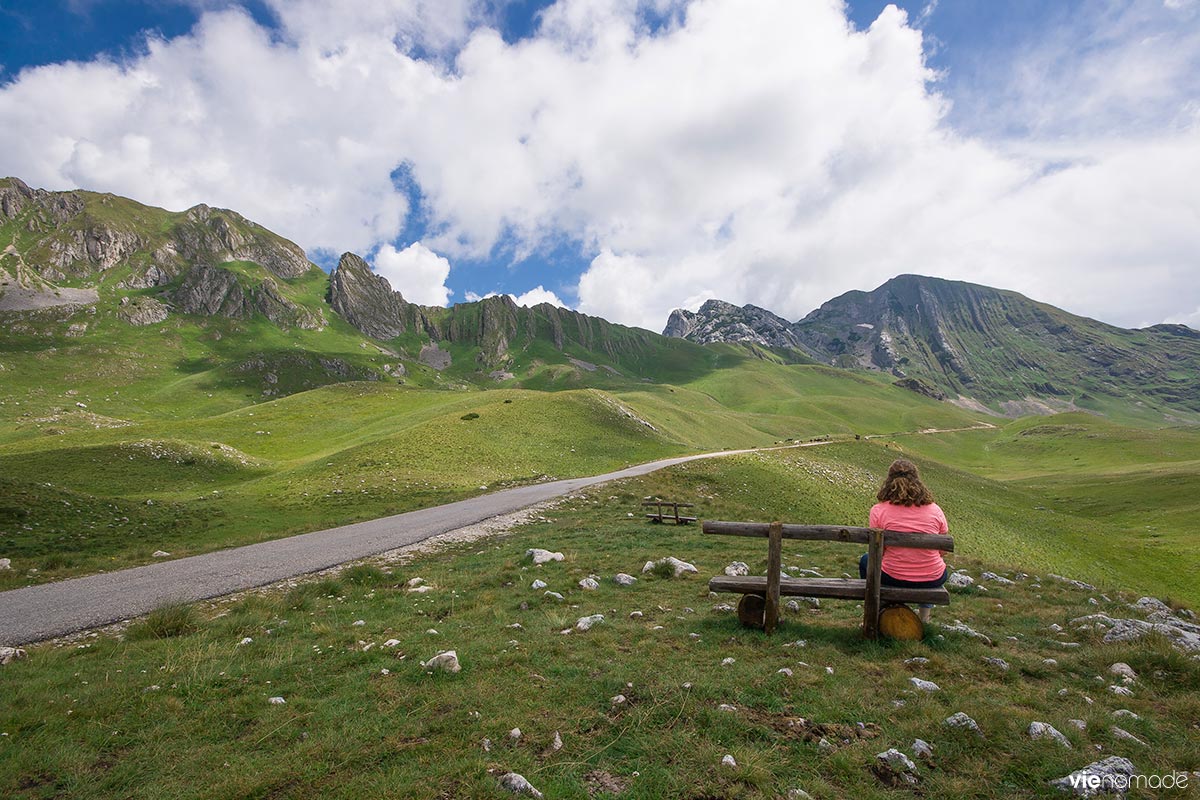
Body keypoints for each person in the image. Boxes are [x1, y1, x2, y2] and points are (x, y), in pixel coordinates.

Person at [859, 458, 949, 623]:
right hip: (932, 577)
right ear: (917, 480)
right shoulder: (935, 510)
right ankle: (924, 618)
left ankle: (879, 608)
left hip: (893, 576)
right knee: (928, 562)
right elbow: (941, 550)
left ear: (889, 481)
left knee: (866, 560)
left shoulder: (878, 510)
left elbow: (878, 551)